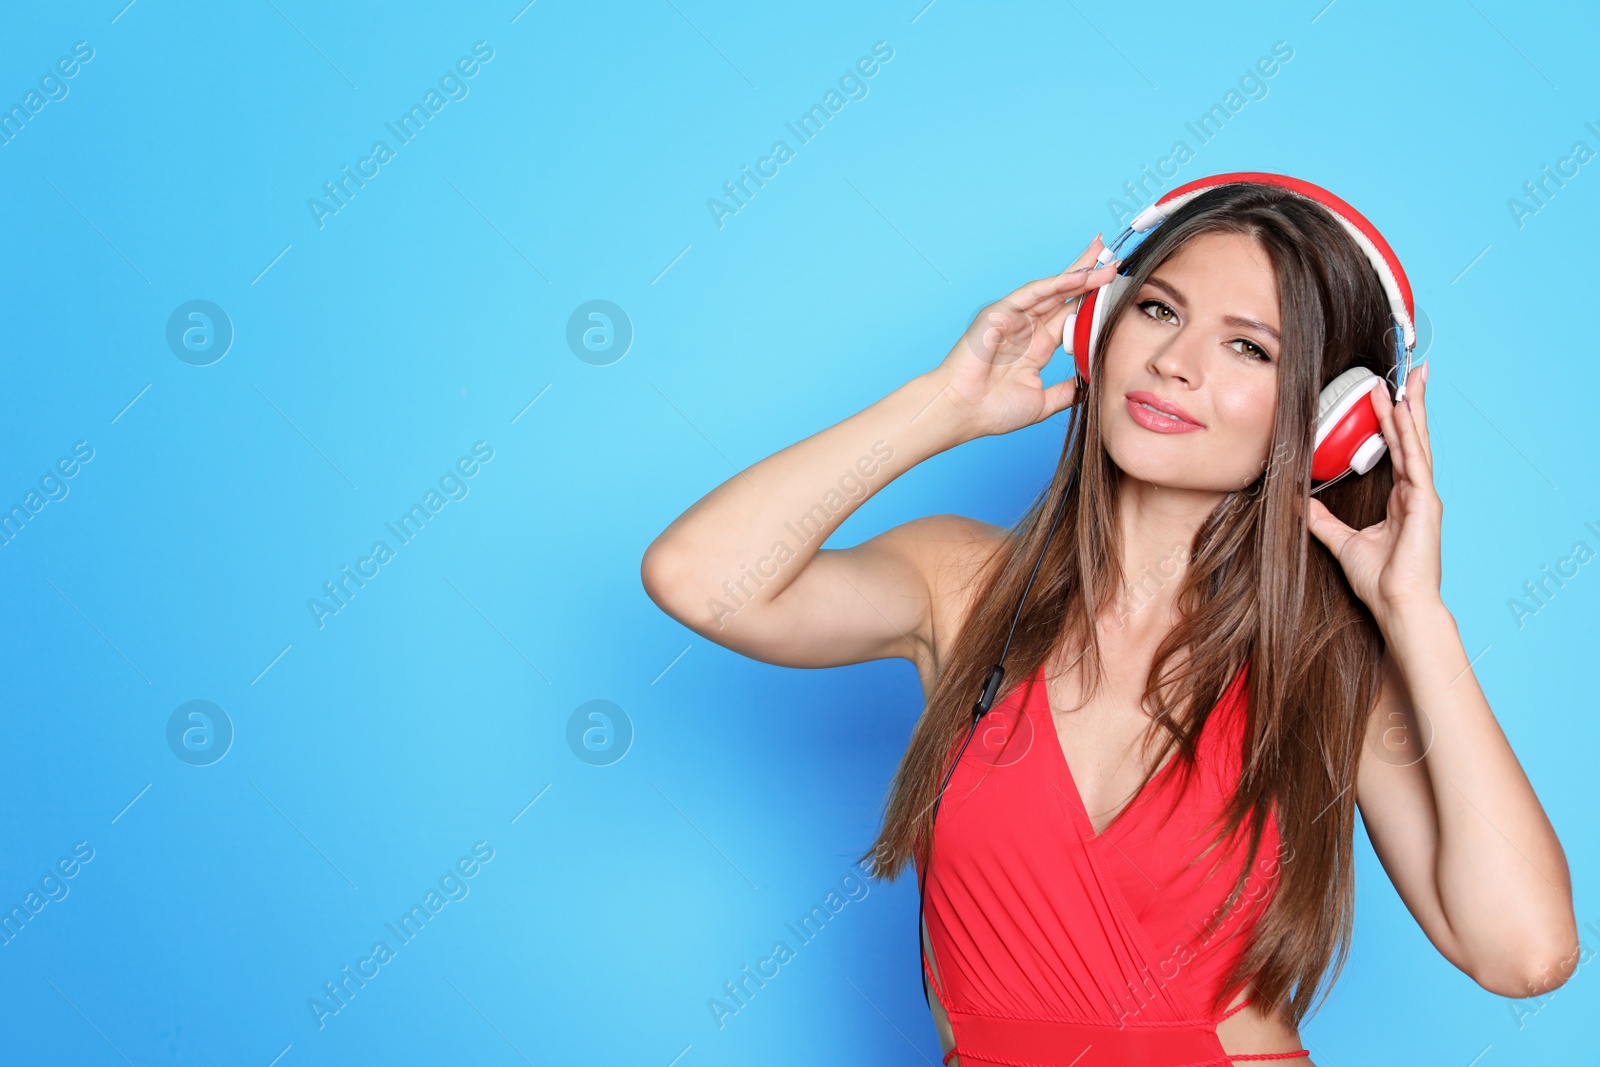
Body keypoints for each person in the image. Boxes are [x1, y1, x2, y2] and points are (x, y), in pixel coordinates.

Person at [639, 179, 1577, 1066]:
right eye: (1160, 310)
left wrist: (1417, 615)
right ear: (1100, 326)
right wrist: (941, 407)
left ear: (1333, 422)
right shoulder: (958, 585)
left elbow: (1524, 954)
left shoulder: (1329, 660)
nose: (1174, 360)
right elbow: (700, 578)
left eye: (1249, 347)